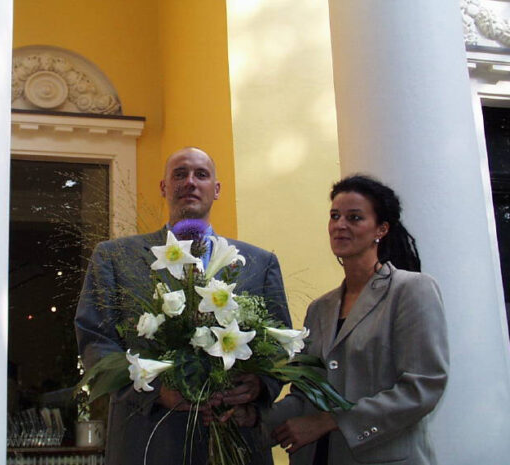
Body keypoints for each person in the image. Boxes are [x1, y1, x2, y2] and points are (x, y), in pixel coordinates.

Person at [74, 146, 291, 465]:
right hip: (149, 439)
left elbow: (279, 342)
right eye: (180, 174)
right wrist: (156, 390)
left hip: (235, 440)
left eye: (201, 175)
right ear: (163, 187)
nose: (190, 182)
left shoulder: (260, 263)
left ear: (216, 190)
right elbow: (96, 342)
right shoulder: (115, 258)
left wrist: (258, 386)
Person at [237, 174, 448, 464]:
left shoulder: (411, 290)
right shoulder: (319, 308)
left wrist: (330, 421)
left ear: (381, 229)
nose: (340, 225)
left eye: (355, 217)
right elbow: (304, 396)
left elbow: (422, 388)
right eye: (334, 216)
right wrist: (253, 418)